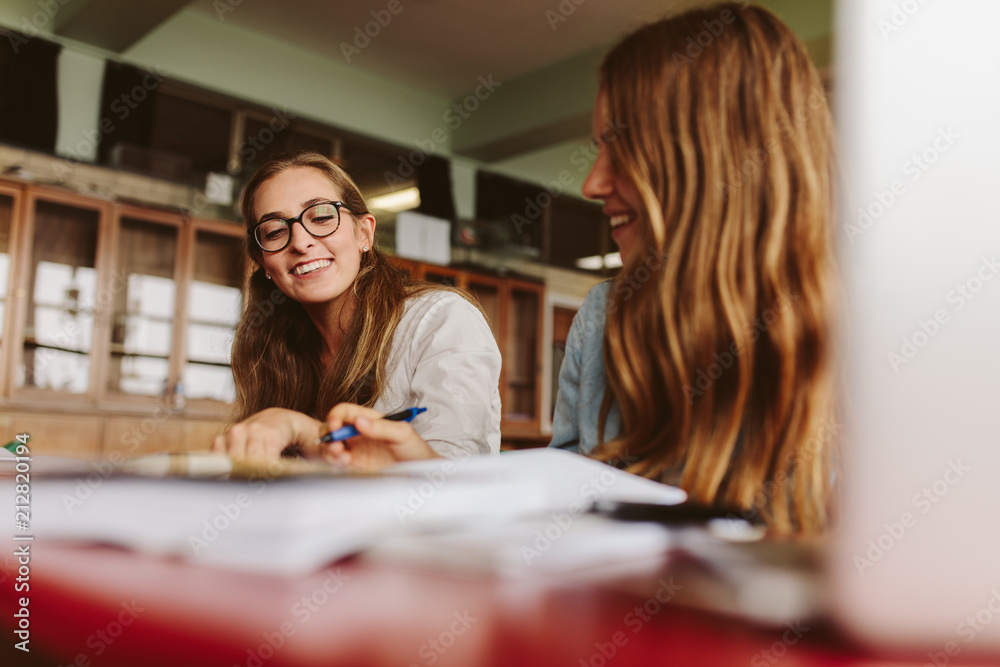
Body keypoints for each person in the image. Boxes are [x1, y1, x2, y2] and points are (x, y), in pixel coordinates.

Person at [550, 3, 837, 535]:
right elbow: (558, 502)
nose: (591, 184)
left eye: (624, 146)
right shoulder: (600, 317)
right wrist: (426, 472)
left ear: (718, 154)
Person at [211, 152, 501, 466]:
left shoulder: (442, 320)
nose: (300, 242)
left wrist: (303, 431)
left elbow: (455, 478)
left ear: (363, 233)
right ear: (263, 262)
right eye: (275, 231)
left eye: (321, 217)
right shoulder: (273, 349)